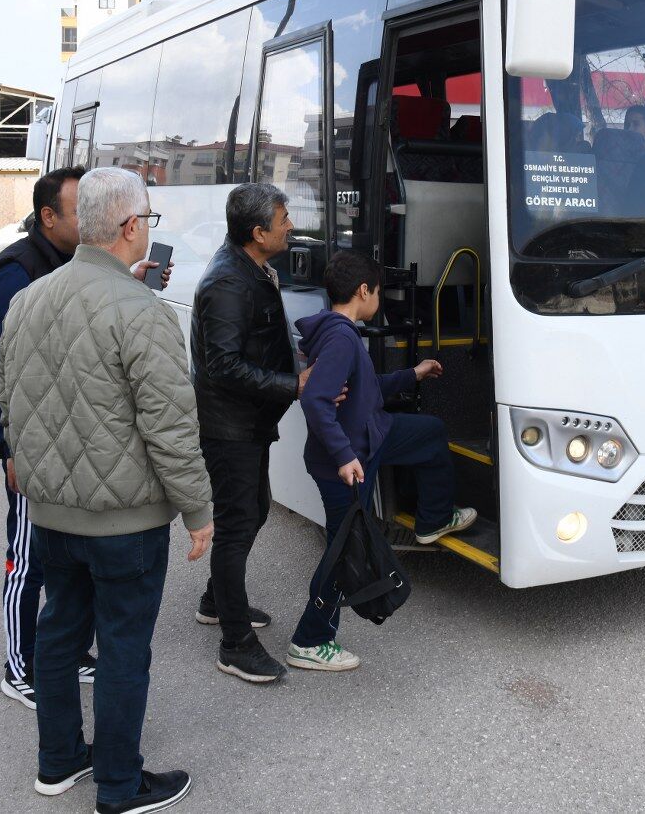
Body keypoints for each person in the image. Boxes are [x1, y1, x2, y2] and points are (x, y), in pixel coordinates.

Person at [0, 166, 211, 814]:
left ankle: (58, 760)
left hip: (52, 516)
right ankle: (120, 786)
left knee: (59, 633)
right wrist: (198, 511)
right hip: (126, 523)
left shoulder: (28, 300)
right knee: (122, 649)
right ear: (128, 227)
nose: (148, 229)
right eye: (147, 219)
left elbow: (10, 399)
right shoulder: (143, 313)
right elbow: (171, 427)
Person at [0, 165, 168, 710]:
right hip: (33, 449)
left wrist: (129, 285)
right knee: (27, 560)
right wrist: (9, 448)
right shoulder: (17, 270)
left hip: (67, 441)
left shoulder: (68, 264)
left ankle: (67, 654)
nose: (91, 219)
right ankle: (19, 667)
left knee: (65, 571)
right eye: (80, 210)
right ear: (48, 216)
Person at [287, 249, 476, 673]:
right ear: (363, 291)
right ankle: (310, 640)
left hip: (372, 435)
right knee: (343, 551)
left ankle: (432, 519)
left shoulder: (339, 331)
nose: (379, 299)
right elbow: (315, 400)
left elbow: (367, 387)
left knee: (429, 434)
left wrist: (413, 374)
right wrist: (343, 457)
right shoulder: (341, 339)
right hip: (348, 458)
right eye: (378, 292)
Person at [190, 182, 312, 686]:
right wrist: (292, 385)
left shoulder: (250, 267)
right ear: (258, 233)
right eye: (283, 220)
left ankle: (216, 600)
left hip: (248, 421)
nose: (290, 226)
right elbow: (223, 366)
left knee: (254, 510)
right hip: (229, 426)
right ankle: (235, 644)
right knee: (238, 523)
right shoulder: (227, 282)